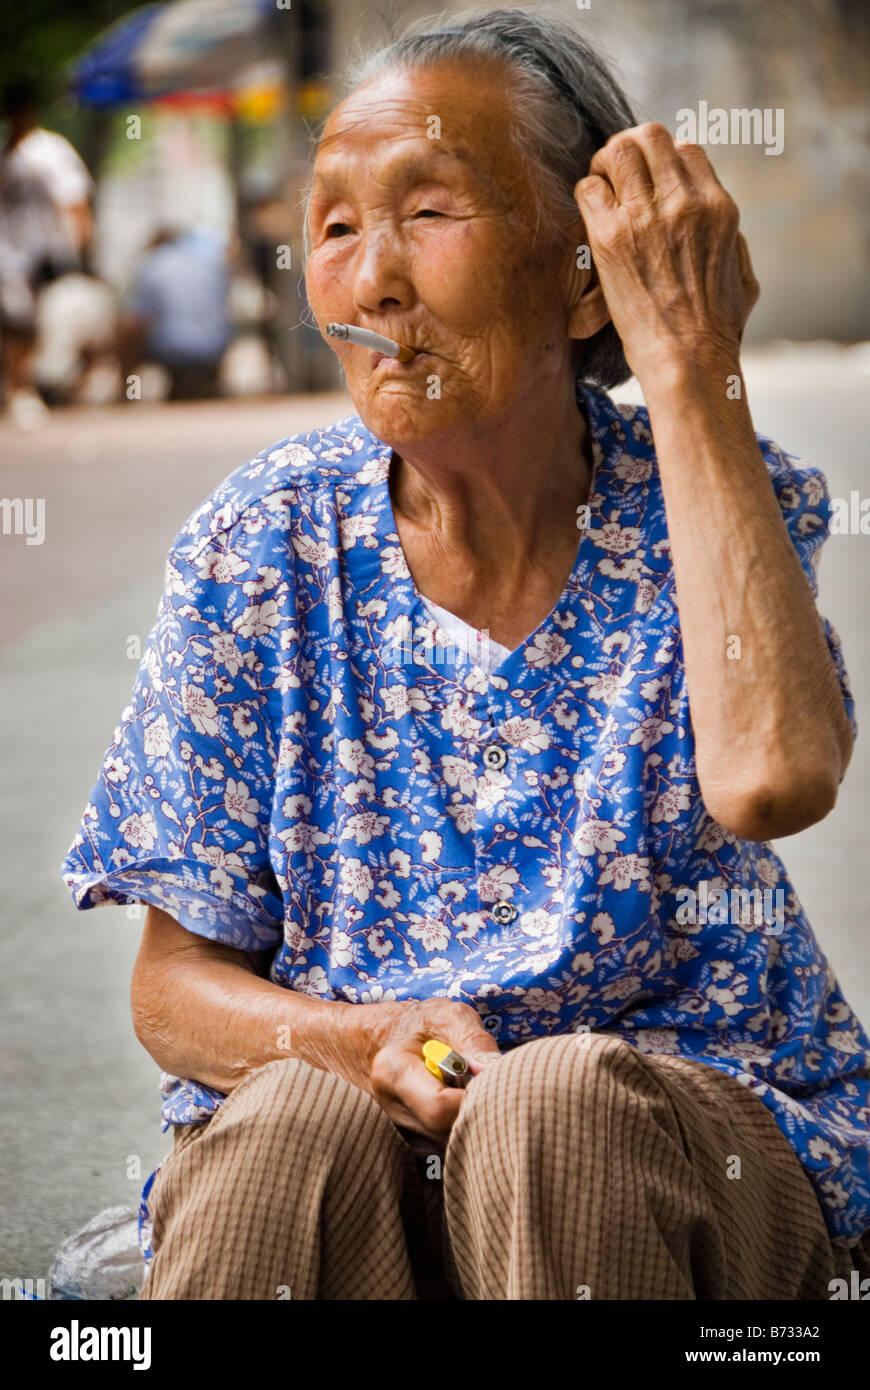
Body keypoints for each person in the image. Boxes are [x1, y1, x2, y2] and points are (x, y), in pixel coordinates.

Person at [61, 6, 870, 1300]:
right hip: (370, 1135)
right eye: (332, 226)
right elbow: (174, 989)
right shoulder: (262, 544)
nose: (371, 275)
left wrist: (692, 367)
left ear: (582, 265)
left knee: (553, 1109)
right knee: (285, 1127)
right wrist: (358, 1042)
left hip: (674, 1144)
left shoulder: (707, 499)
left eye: (430, 211)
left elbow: (772, 779)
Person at [0, 78, 94, 427]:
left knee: (38, 326)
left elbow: (74, 200)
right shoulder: (6, 153)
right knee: (16, 326)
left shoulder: (49, 151)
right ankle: (20, 391)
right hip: (9, 257)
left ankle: (32, 390)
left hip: (42, 255)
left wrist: (80, 248)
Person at [117, 225, 232, 401]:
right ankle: (208, 384)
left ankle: (123, 394)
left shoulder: (153, 263)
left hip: (171, 347)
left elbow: (136, 318)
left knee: (129, 330)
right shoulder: (208, 261)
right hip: (214, 345)